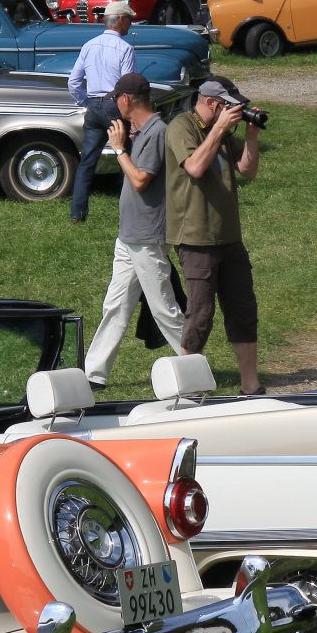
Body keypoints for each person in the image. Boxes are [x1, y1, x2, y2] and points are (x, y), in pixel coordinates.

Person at [82, 71, 187, 391]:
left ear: (127, 99)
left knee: (163, 308)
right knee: (115, 305)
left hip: (147, 236)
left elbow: (141, 180)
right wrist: (126, 142)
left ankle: (194, 366)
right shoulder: (141, 132)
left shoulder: (157, 132)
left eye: (116, 98)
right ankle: (93, 374)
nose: (115, 103)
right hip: (129, 236)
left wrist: (119, 149)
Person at [165, 76, 264, 395]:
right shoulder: (181, 127)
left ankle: (251, 386)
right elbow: (194, 167)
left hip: (229, 237)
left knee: (243, 310)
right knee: (200, 314)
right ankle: (187, 388)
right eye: (229, 106)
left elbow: (247, 170)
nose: (234, 111)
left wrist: (251, 136)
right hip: (196, 237)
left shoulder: (222, 131)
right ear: (211, 103)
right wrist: (219, 129)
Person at [66, 0, 136, 223]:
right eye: (129, 20)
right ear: (121, 20)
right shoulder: (125, 48)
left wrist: (85, 101)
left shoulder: (89, 45)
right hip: (114, 105)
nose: (131, 24)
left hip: (94, 105)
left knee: (87, 160)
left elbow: (73, 82)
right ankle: (128, 211)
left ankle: (77, 213)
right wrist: (131, 116)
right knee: (125, 156)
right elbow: (127, 86)